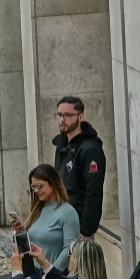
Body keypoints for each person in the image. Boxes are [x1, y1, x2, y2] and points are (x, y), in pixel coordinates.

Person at [51, 96, 106, 240]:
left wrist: (86, 230)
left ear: (81, 116)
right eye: (59, 115)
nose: (62, 119)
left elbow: (93, 193)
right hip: (61, 220)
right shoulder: (62, 144)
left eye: (68, 115)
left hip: (79, 225)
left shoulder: (90, 149)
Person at [16, 165, 80, 268]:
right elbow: (32, 244)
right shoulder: (37, 210)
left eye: (39, 186)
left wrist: (52, 272)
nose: (36, 191)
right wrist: (20, 231)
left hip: (57, 276)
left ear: (53, 183)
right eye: (33, 187)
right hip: (36, 274)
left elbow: (70, 248)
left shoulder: (68, 212)